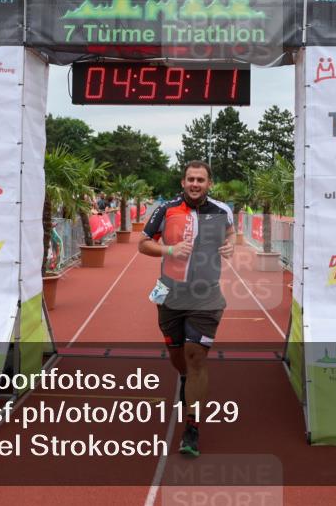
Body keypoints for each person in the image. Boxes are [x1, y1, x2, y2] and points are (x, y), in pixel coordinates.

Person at [138, 160, 234, 457]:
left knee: (195, 358)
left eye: (201, 180)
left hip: (206, 296)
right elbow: (143, 244)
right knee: (178, 357)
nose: (195, 184)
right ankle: (185, 378)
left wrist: (232, 246)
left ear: (209, 183)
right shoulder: (166, 209)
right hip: (171, 294)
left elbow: (231, 235)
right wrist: (169, 249)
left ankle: (191, 427)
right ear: (183, 182)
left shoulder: (222, 211)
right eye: (191, 179)